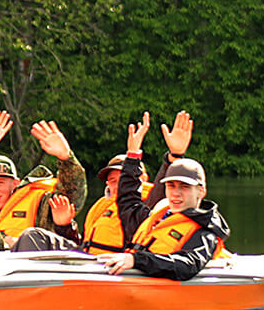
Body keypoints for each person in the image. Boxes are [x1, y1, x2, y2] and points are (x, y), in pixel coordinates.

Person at [97, 113, 228, 281]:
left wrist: (136, 260)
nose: (176, 193)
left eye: (185, 187)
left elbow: (187, 265)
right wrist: (133, 155)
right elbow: (128, 202)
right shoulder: (157, 217)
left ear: (201, 191)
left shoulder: (205, 232)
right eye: (171, 186)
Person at [0, 115, 87, 249]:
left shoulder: (39, 201)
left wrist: (65, 157)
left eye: (0, 183)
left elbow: (72, 195)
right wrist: (5, 239)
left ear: (16, 183)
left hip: (29, 262)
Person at [80, 110, 191, 255]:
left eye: (123, 180)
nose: (119, 185)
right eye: (113, 181)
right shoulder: (101, 207)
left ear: (143, 179)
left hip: (120, 269)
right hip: (91, 264)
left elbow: (155, 191)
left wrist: (175, 156)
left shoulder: (145, 205)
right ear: (107, 184)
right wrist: (64, 226)